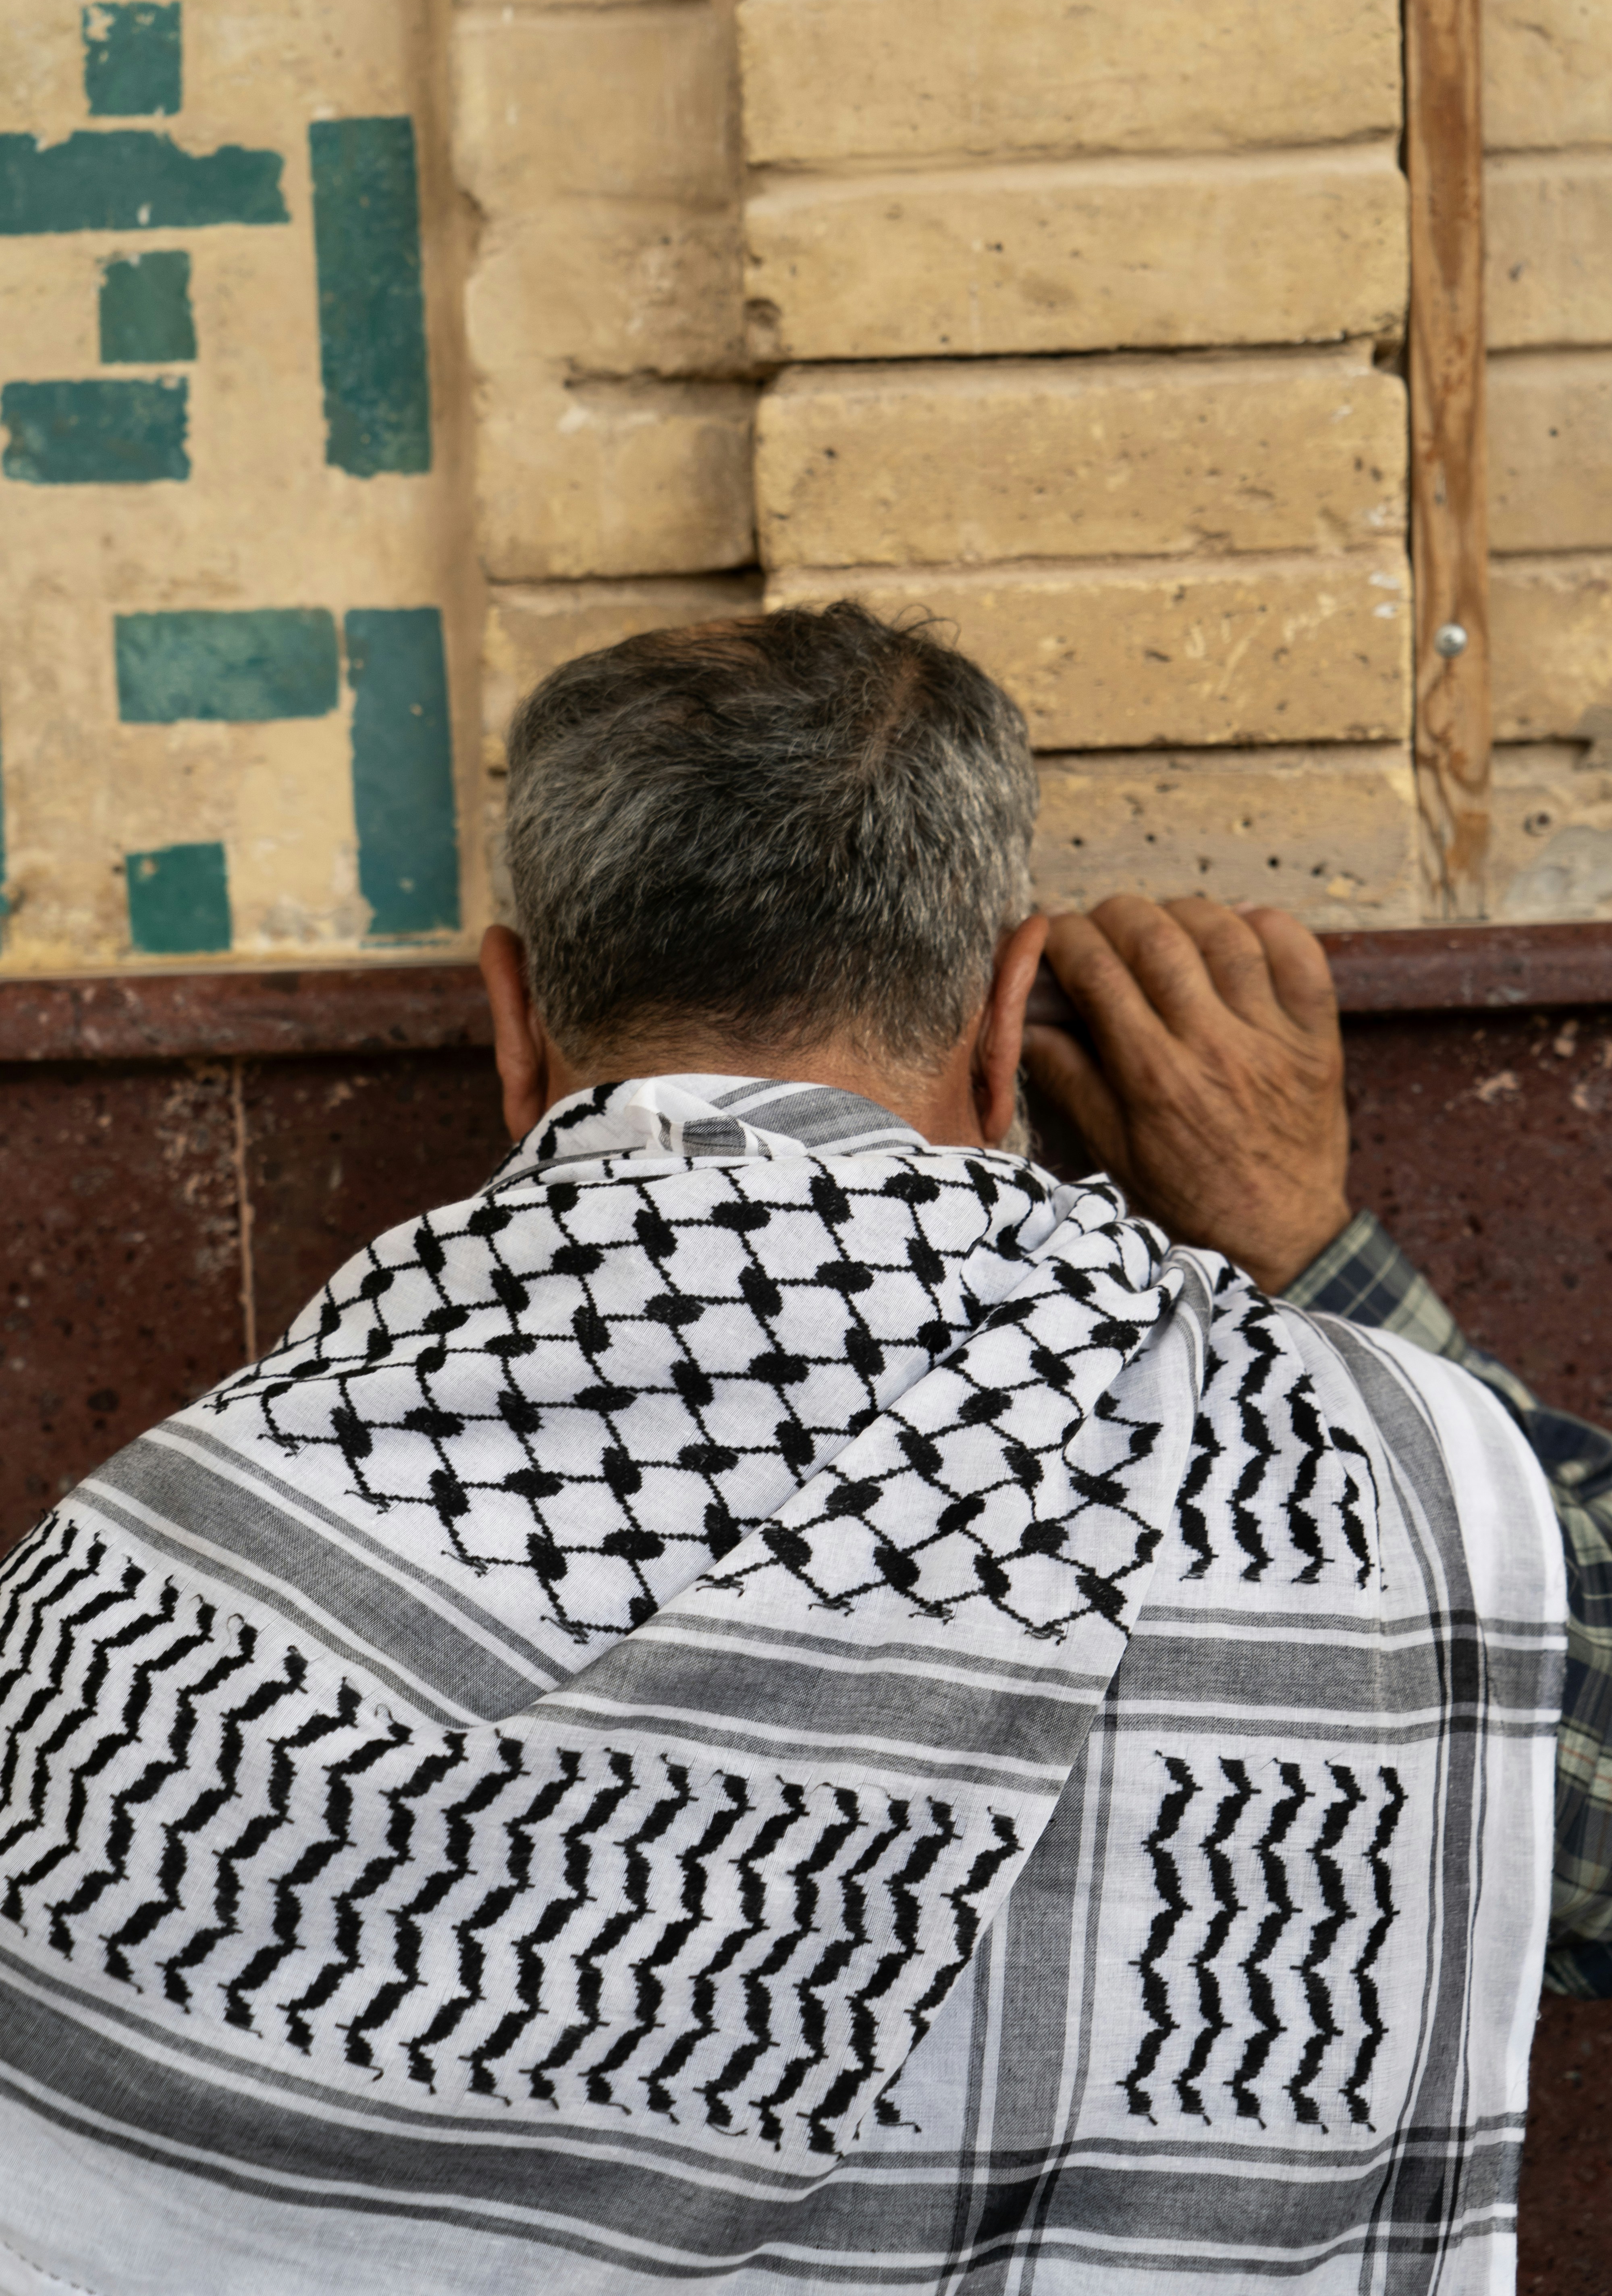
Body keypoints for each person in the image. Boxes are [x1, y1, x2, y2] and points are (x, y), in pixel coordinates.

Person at [0, 601, 1602, 2296]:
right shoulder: (1338, 1501)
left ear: (514, 1019)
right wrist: (1313, 1258)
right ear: (1003, 1023)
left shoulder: (159, 1566)